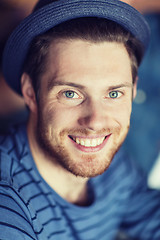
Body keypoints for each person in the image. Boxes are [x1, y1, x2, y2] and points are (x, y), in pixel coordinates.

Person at [0, 0, 160, 239]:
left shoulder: (114, 167)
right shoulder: (8, 206)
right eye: (70, 93)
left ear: (134, 90)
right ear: (31, 92)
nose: (95, 122)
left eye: (114, 93)